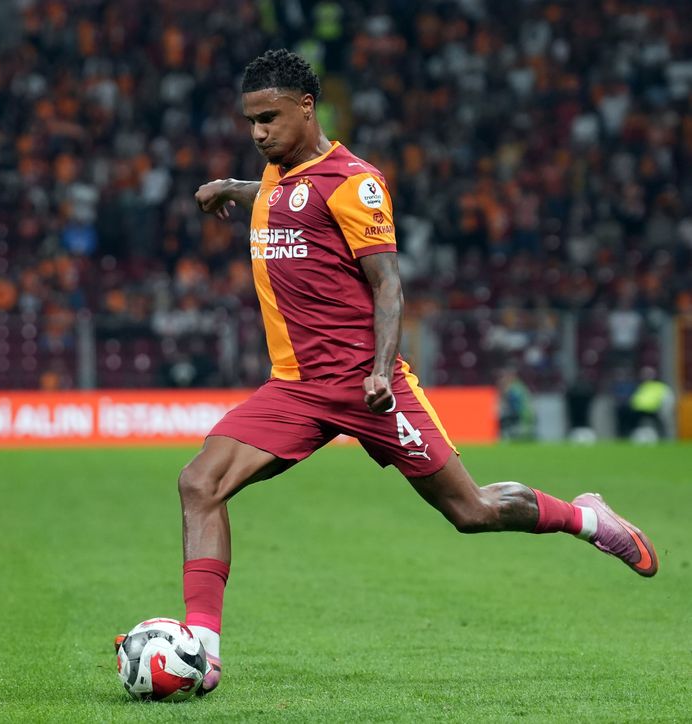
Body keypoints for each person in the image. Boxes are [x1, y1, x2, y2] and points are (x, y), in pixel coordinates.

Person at [117, 49, 658, 695]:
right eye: (250, 122)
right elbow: (282, 196)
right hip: (295, 387)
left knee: (472, 511)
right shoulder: (278, 177)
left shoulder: (355, 183)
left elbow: (389, 286)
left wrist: (378, 371)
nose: (258, 132)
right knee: (199, 483)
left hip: (368, 386)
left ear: (306, 107)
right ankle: (203, 652)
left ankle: (588, 518)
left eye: (268, 118)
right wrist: (231, 187)